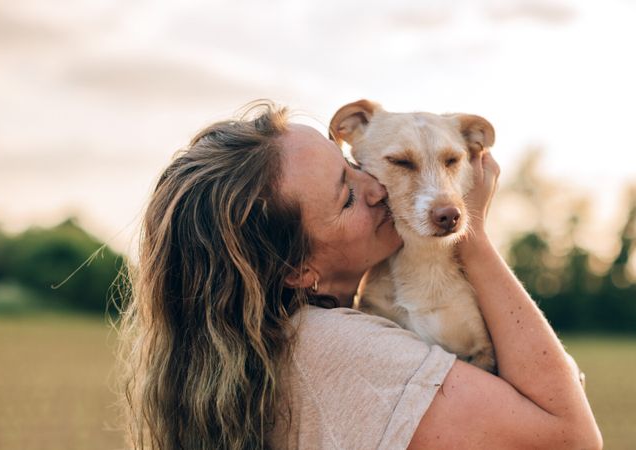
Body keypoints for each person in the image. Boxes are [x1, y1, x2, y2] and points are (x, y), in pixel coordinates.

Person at [117, 101, 602, 450]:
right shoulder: (337, 346)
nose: (374, 189)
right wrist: (474, 238)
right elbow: (571, 437)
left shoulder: (282, 336)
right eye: (346, 195)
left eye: (351, 167)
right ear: (297, 269)